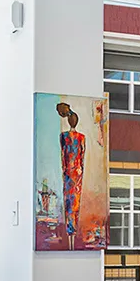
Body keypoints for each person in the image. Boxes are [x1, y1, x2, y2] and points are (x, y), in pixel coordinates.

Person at [55, 101, 85, 247]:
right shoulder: (81, 137)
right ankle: (72, 234)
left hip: (68, 173)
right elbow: (82, 156)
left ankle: (70, 233)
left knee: (69, 203)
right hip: (77, 174)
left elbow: (62, 156)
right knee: (75, 204)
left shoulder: (63, 136)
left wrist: (66, 169)